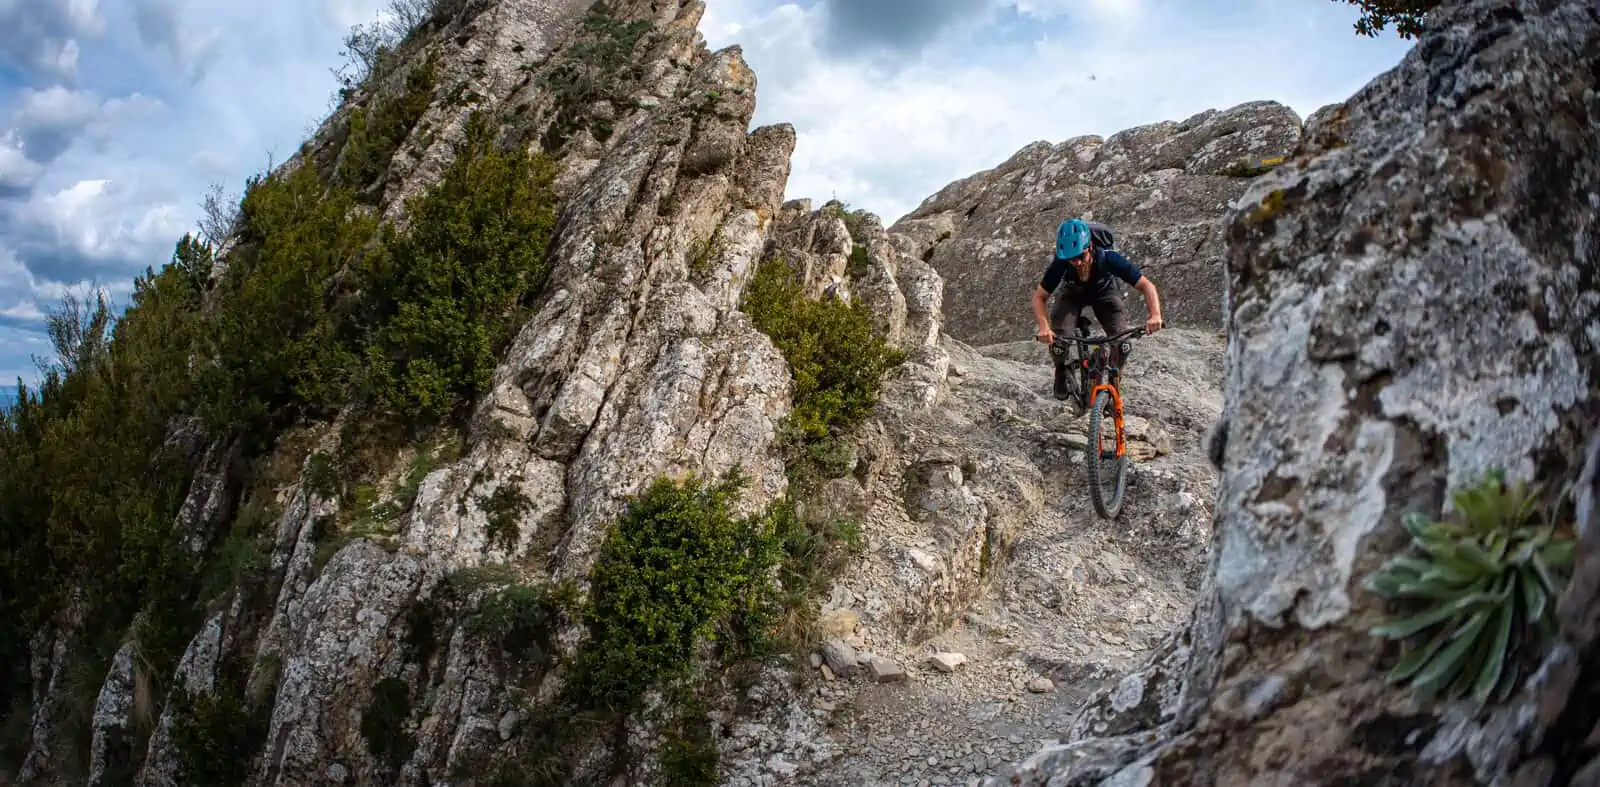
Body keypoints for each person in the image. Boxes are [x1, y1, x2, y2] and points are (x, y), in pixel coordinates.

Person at [1031, 218, 1164, 401]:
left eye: (1080, 257)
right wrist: (1044, 328)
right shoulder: (1061, 264)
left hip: (1104, 293)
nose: (1076, 263)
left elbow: (1146, 286)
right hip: (1072, 294)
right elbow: (1039, 297)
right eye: (1071, 259)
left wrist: (1155, 315)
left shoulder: (1108, 258)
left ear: (1090, 246)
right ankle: (1061, 370)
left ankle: (1114, 382)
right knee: (1059, 342)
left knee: (1122, 344)